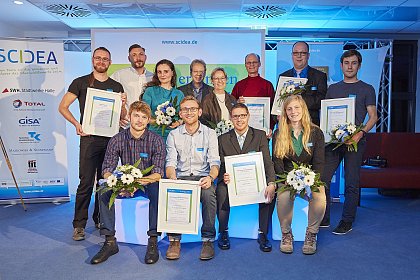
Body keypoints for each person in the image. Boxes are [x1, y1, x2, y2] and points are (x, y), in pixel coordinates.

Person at [58, 47, 125, 241]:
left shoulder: (116, 85)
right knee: (86, 182)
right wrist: (77, 124)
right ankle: (79, 225)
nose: (101, 61)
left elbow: (123, 117)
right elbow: (62, 107)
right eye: (98, 58)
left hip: (111, 140)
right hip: (88, 139)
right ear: (93, 60)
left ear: (110, 62)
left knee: (104, 182)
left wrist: (123, 103)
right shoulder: (80, 82)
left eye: (105, 59)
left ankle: (100, 219)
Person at [90, 101, 166, 265]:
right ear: (129, 117)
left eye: (144, 117)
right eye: (136, 116)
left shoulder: (156, 140)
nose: (139, 120)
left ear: (148, 120)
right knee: (103, 187)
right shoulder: (117, 139)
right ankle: (110, 241)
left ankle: (152, 240)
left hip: (146, 182)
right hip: (123, 182)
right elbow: (107, 169)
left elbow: (158, 173)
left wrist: (135, 184)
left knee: (158, 189)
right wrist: (120, 185)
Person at [321, 49, 378, 234]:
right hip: (334, 142)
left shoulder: (366, 88)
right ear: (341, 65)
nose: (350, 66)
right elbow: (327, 115)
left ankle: (347, 221)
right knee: (323, 179)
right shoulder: (333, 89)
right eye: (346, 63)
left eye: (354, 63)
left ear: (359, 65)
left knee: (352, 182)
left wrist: (360, 133)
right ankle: (324, 216)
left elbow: (373, 117)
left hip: (355, 141)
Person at [165, 96, 220, 260]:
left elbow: (215, 162)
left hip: (202, 177)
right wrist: (172, 179)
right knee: (172, 191)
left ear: (200, 112)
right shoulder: (173, 135)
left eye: (193, 109)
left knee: (209, 193)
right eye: (185, 110)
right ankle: (174, 240)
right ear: (180, 114)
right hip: (181, 177)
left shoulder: (210, 134)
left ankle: (208, 240)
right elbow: (170, 163)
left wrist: (210, 177)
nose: (189, 112)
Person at [217, 103, 276, 252]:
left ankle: (263, 233)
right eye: (236, 116)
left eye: (242, 115)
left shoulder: (259, 135)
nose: (239, 119)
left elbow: (267, 162)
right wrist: (224, 175)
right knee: (221, 190)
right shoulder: (223, 139)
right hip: (232, 182)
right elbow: (222, 164)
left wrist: (271, 182)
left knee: (267, 191)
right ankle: (223, 232)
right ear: (231, 118)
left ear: (248, 116)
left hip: (254, 180)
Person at [272, 95, 326, 255]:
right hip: (287, 178)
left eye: (297, 108)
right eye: (289, 109)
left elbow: (319, 162)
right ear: (285, 112)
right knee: (283, 197)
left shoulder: (316, 133)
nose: (293, 112)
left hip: (310, 177)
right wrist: (287, 180)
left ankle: (311, 234)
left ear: (303, 109)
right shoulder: (279, 133)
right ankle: (286, 234)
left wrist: (312, 180)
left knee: (320, 196)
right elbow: (277, 161)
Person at [279, 41, 327, 126]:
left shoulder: (319, 76)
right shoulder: (283, 76)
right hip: (288, 126)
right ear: (292, 55)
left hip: (311, 125)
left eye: (303, 53)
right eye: (296, 53)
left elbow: (321, 100)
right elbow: (279, 101)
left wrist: (300, 99)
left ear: (308, 55)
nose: (299, 56)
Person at [232, 53, 275, 137]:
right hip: (242, 131)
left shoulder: (267, 85)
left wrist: (270, 128)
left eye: (254, 62)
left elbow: (273, 109)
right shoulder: (239, 85)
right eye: (248, 63)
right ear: (245, 65)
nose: (251, 65)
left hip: (262, 131)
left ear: (259, 64)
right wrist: (237, 102)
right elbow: (232, 106)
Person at [110, 44, 153, 127]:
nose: (138, 58)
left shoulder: (153, 77)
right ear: (129, 58)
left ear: (145, 57)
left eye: (141, 54)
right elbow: (108, 95)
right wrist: (116, 118)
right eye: (134, 55)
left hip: (148, 125)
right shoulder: (119, 75)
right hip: (126, 125)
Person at [142, 59, 184, 140]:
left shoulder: (179, 94)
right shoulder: (150, 91)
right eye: (159, 72)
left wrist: (179, 122)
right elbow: (144, 114)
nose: (162, 75)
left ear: (172, 73)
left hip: (174, 135)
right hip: (153, 135)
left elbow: (183, 115)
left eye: (166, 71)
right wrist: (160, 121)